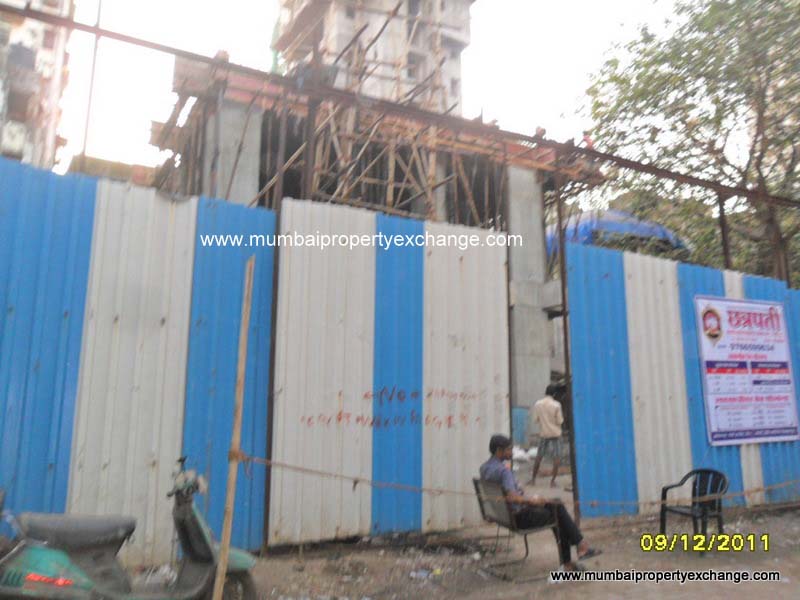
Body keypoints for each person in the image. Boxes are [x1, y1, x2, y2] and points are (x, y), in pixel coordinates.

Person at [479, 434, 600, 571]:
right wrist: (532, 500)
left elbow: (509, 496)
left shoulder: (484, 468)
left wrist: (534, 500)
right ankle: (576, 552)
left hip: (505, 516)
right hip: (520, 518)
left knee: (556, 504)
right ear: (499, 450)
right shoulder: (503, 471)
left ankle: (579, 547)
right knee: (558, 512)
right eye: (509, 449)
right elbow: (513, 497)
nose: (512, 452)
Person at [531, 384, 564, 487]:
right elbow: (560, 421)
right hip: (555, 434)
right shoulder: (557, 405)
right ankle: (552, 481)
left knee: (539, 456)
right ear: (554, 394)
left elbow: (535, 420)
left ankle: (533, 479)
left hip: (544, 433)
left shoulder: (538, 404)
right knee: (556, 457)